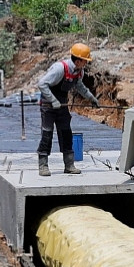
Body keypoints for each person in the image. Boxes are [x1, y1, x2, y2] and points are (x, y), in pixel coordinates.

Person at [36, 43, 100, 176]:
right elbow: (42, 84)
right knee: (47, 134)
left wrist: (91, 98)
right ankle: (43, 166)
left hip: (62, 106)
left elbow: (80, 87)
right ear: (78, 61)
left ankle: (69, 165)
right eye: (85, 61)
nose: (86, 64)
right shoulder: (60, 69)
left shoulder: (78, 72)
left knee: (66, 133)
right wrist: (53, 101)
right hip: (48, 106)